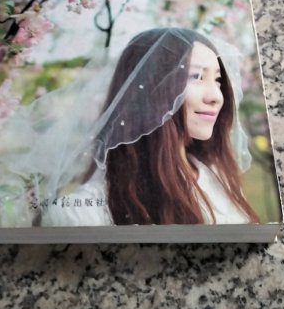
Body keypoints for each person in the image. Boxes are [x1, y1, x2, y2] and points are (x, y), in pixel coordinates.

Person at [41, 28, 259, 226]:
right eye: (196, 76)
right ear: (149, 90)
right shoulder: (81, 215)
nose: (216, 97)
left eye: (218, 80)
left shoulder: (219, 180)